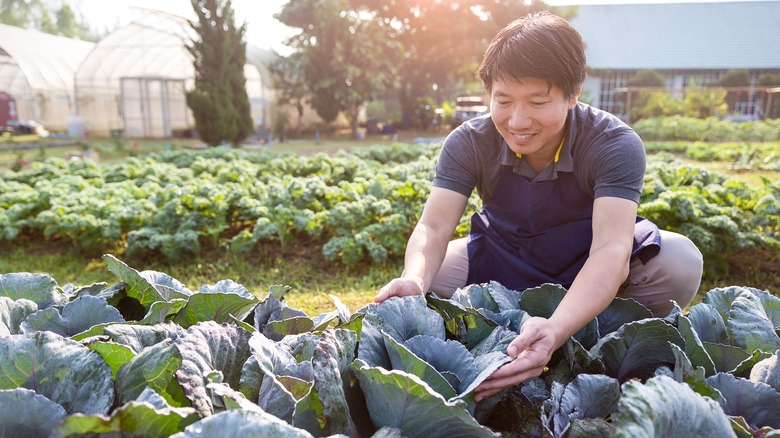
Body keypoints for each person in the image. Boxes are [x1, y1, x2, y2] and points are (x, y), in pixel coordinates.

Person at [372, 12, 703, 402]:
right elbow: (434, 227)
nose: (517, 120)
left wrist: (556, 329)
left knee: (681, 262)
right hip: (506, 253)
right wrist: (415, 277)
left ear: (573, 93)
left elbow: (611, 249)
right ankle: (527, 316)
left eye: (538, 102)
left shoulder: (613, 143)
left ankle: (586, 323)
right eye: (504, 101)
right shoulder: (469, 141)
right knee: (433, 273)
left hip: (589, 257)